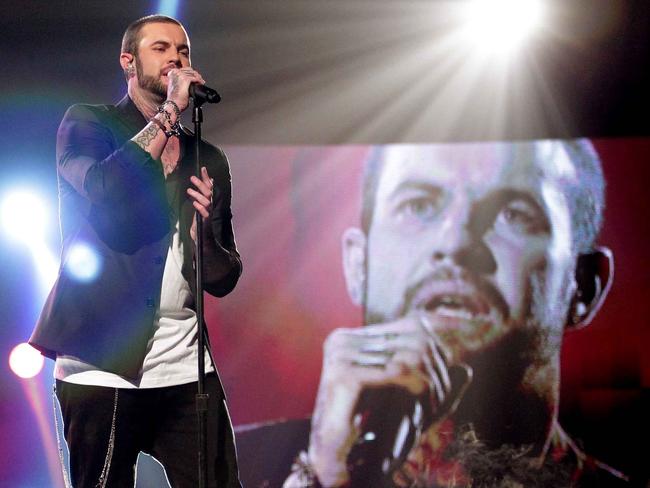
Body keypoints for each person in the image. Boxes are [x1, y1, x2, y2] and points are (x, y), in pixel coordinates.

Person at [237, 141, 628, 487]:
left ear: (584, 284)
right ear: (359, 266)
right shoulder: (228, 465)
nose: (455, 243)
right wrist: (323, 477)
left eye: (512, 214)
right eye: (418, 206)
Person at [29, 15, 242, 488]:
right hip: (101, 367)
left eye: (183, 51)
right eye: (161, 48)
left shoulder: (206, 157)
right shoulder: (88, 123)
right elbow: (105, 186)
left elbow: (225, 277)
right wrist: (168, 114)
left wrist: (202, 234)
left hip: (187, 368)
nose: (175, 59)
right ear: (128, 61)